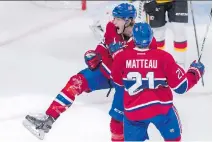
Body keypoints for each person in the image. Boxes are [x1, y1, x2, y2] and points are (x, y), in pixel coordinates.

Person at [23, 3, 157, 141]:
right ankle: (48, 119)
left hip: (129, 85)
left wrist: (114, 56)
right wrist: (95, 55)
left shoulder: (143, 36)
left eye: (117, 18)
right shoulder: (112, 27)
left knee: (119, 123)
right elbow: (104, 45)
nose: (113, 21)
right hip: (109, 73)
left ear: (128, 21)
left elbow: (136, 67)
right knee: (77, 81)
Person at [111, 22, 205, 141]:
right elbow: (181, 86)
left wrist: (117, 57)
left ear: (133, 38)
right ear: (151, 37)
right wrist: (195, 72)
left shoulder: (121, 57)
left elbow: (117, 81)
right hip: (161, 110)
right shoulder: (163, 57)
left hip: (134, 113)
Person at [143, 0, 188, 67]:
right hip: (155, 1)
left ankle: (180, 65)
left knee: (179, 31)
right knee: (157, 34)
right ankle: (158, 63)